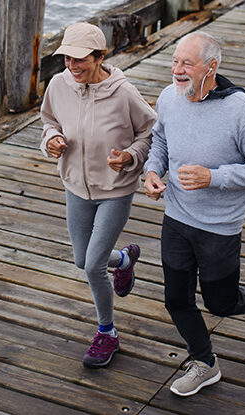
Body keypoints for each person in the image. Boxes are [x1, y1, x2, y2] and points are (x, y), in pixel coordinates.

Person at [143, 31, 245, 397]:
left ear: (211, 67)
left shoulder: (240, 110)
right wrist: (152, 172)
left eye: (187, 63)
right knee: (176, 300)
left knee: (220, 302)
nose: (177, 70)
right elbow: (160, 140)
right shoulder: (170, 98)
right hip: (176, 216)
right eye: (175, 61)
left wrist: (213, 177)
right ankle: (204, 362)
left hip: (219, 226)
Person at [40, 22, 157, 368]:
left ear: (100, 56)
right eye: (67, 59)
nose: (72, 67)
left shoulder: (123, 93)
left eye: (80, 60)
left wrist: (131, 157)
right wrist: (51, 141)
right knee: (82, 259)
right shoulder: (59, 85)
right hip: (75, 185)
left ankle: (107, 333)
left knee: (92, 265)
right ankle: (123, 260)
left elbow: (151, 132)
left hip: (115, 190)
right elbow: (48, 121)